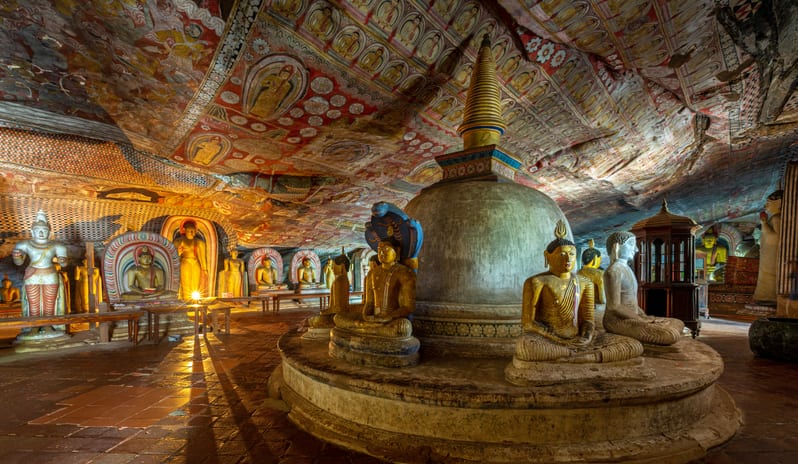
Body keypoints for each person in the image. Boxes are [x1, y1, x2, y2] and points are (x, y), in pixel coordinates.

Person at [514, 221, 643, 363]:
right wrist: (554, 338)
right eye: (562, 254)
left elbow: (587, 319)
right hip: (548, 340)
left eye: (572, 254)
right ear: (547, 256)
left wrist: (586, 336)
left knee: (633, 345)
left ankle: (577, 357)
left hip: (580, 339)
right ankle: (580, 356)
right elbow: (528, 323)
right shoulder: (536, 282)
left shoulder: (584, 282)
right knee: (525, 347)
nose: (568, 258)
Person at [603, 231, 685, 345]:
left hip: (633, 317)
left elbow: (631, 302)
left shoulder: (626, 269)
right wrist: (640, 319)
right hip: (617, 321)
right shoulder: (613, 272)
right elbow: (614, 307)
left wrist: (644, 316)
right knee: (669, 335)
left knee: (678, 322)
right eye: (631, 244)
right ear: (616, 247)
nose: (636, 249)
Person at [334, 239, 416, 337]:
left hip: (392, 320)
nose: (381, 253)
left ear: (397, 251)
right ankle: (369, 327)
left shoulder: (405, 273)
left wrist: (387, 317)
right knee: (338, 317)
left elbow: (408, 307)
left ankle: (365, 328)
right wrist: (366, 315)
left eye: (385, 249)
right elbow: (369, 303)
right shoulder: (372, 273)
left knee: (403, 327)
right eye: (379, 249)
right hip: (374, 318)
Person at [12, 210, 68, 321]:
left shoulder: (57, 245)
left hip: (50, 274)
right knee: (32, 302)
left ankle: (49, 325)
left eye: (44, 230)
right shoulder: (24, 244)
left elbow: (64, 264)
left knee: (50, 302)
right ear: (32, 232)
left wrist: (62, 261)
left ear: (49, 232)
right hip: (32, 275)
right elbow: (19, 263)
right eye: (38, 230)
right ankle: (34, 326)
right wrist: (17, 257)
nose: (41, 233)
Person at [753, 189, 783, 304]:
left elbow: (776, 238)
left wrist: (764, 224)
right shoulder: (774, 218)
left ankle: (769, 297)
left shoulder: (777, 218)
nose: (766, 206)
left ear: (779, 203)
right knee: (765, 275)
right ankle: (764, 296)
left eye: (769, 203)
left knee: (769, 275)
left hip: (773, 253)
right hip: (768, 253)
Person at [172, 220, 208, 300]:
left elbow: (202, 257)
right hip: (185, 262)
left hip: (195, 263)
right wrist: (178, 253)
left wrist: (204, 269)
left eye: (193, 231)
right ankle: (186, 300)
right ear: (184, 230)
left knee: (196, 284)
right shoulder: (179, 241)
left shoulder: (199, 243)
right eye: (189, 231)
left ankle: (194, 300)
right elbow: (172, 256)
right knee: (186, 283)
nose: (192, 233)